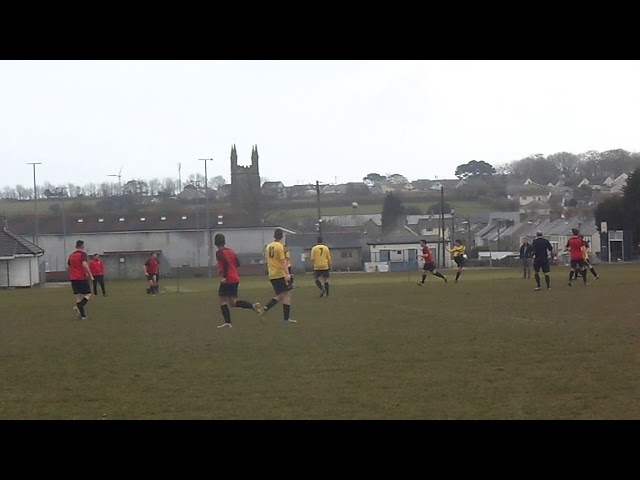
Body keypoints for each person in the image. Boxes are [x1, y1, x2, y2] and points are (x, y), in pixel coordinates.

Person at [213, 233, 262, 329]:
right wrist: (227, 270)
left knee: (222, 300)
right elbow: (237, 263)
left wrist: (225, 276)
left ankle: (228, 322)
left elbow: (226, 263)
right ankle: (252, 306)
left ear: (215, 242)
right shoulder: (230, 251)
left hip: (228, 279)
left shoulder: (219, 252)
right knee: (233, 302)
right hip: (235, 278)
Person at [259, 228, 296, 323]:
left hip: (272, 274)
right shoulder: (280, 247)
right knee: (287, 294)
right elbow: (283, 261)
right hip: (280, 274)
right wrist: (287, 274)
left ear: (274, 235)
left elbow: (267, 261)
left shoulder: (268, 247)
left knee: (280, 295)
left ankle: (265, 309)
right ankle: (286, 319)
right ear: (282, 236)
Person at [68, 240, 94, 320]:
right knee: (88, 294)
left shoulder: (71, 255)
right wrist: (90, 275)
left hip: (73, 278)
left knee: (78, 297)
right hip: (81, 277)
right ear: (82, 246)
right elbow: (84, 264)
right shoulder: (83, 254)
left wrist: (72, 274)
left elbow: (68, 267)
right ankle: (78, 307)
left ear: (76, 247)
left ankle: (83, 316)